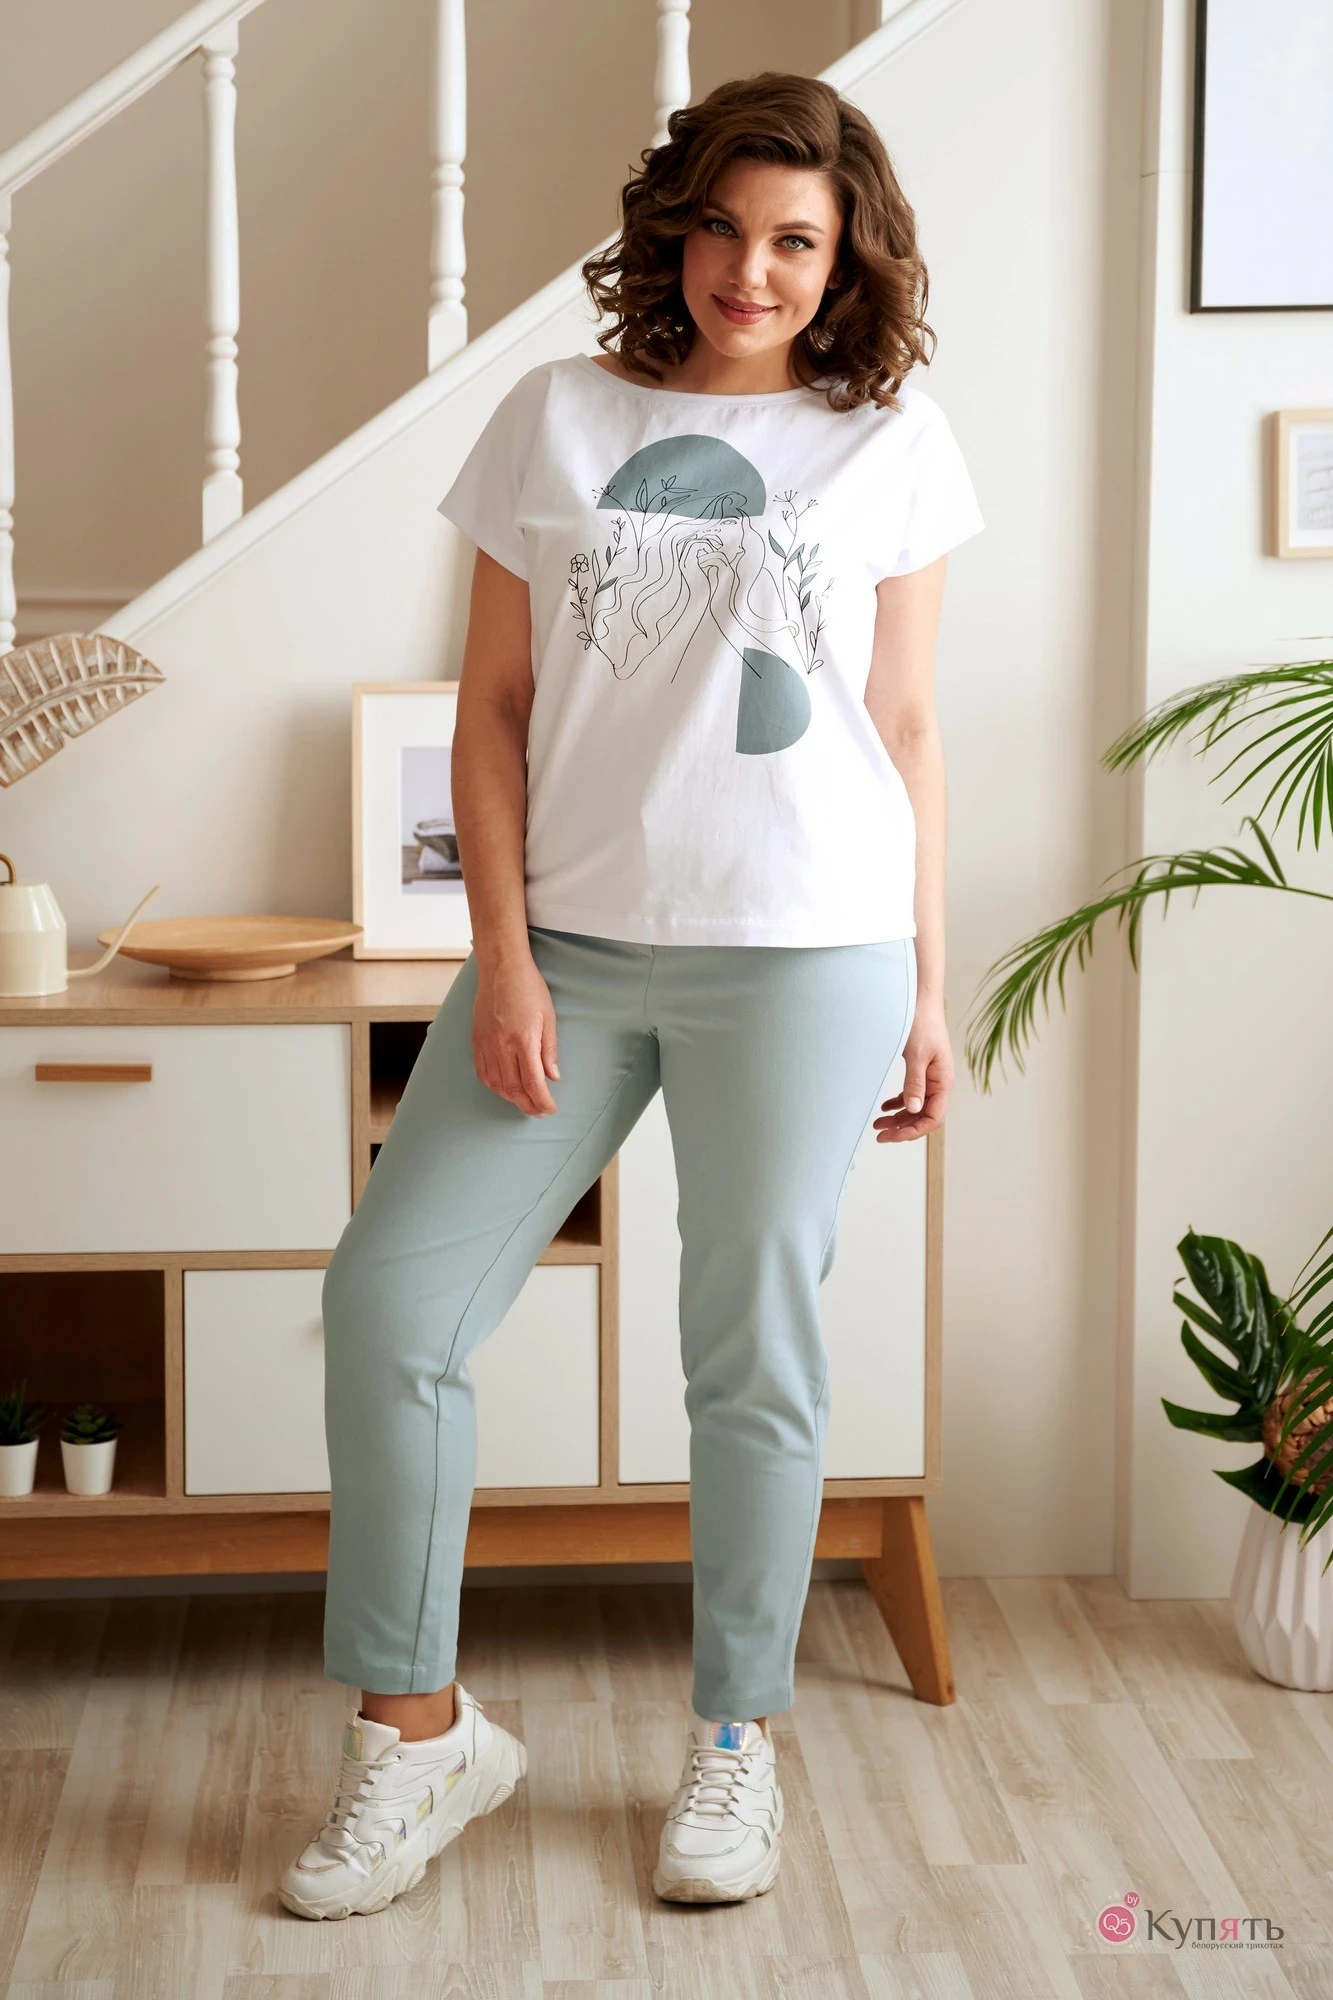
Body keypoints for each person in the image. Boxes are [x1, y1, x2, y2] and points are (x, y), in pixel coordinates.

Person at [278, 67, 982, 1922]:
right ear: (674, 229)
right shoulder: (558, 417)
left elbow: (907, 724)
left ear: (846, 261)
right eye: (726, 229)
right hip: (574, 951)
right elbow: (492, 710)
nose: (755, 270)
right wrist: (502, 956)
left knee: (749, 1350)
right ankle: (418, 1735)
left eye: (798, 242)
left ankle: (736, 1738)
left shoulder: (890, 442)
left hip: (811, 952)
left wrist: (931, 982)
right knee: (391, 1304)